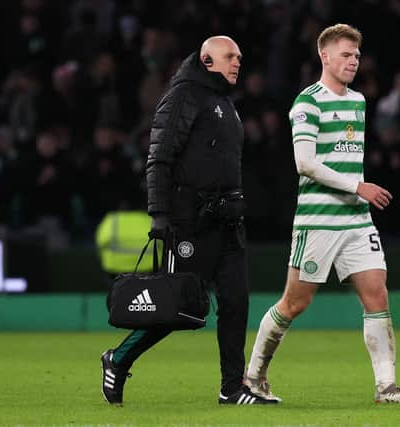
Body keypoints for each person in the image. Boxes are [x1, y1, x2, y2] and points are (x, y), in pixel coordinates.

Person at [244, 24, 400, 405]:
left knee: (377, 295)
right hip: (318, 221)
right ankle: (254, 377)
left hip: (356, 221)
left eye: (357, 56)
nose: (353, 62)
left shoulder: (358, 101)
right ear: (324, 56)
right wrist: (358, 186)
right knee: (295, 303)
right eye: (345, 54)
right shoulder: (307, 102)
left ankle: (386, 386)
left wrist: (356, 194)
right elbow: (304, 163)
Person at [100, 36, 277, 406]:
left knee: (235, 303)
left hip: (228, 222)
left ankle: (232, 388)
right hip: (189, 223)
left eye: (240, 57)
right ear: (206, 59)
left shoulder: (226, 103)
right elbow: (159, 157)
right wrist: (159, 214)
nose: (237, 62)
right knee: (175, 308)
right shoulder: (184, 96)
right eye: (229, 56)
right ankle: (118, 358)